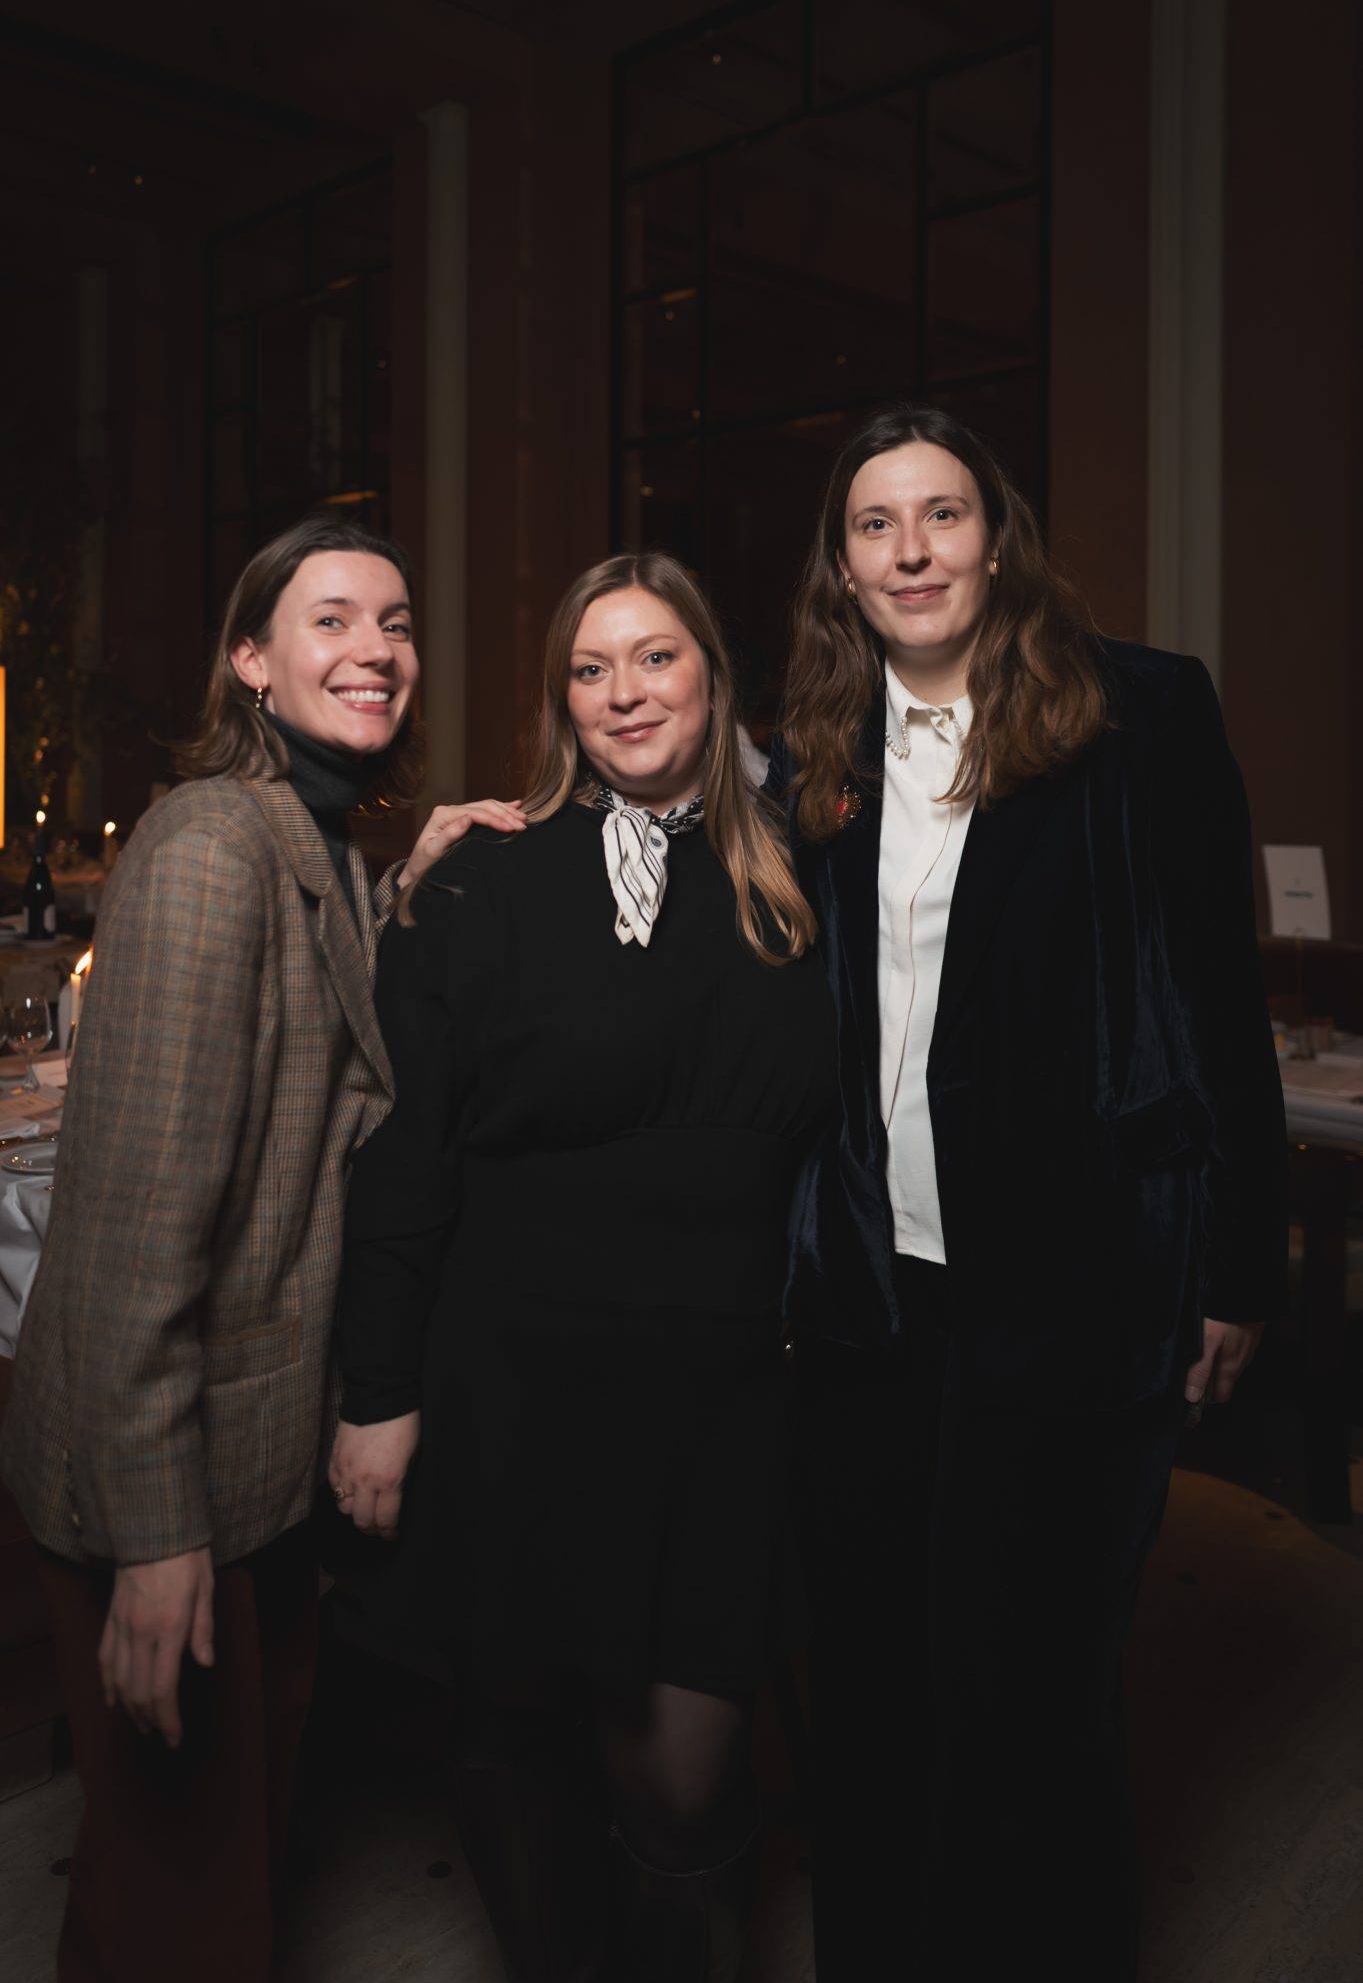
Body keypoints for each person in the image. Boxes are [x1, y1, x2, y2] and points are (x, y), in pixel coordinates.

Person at [768, 404, 1287, 1982]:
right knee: (869, 1689)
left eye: (942, 514)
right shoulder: (815, 756)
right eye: (876, 525)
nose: (912, 550)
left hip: (1074, 1288)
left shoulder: (1139, 712)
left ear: (997, 538)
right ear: (843, 567)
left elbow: (1221, 997)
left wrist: (1237, 1267)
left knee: (1037, 1702)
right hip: (872, 1302)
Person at [0, 515, 522, 1983]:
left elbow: (324, 1031)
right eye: (332, 620)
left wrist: (409, 876)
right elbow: (133, 1234)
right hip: (164, 1479)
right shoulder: (205, 851)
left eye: (396, 623)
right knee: (190, 1906)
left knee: (181, 1879)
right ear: (248, 659)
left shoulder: (310, 837)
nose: (377, 650)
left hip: (251, 1459)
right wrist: (157, 1540)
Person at [330, 551, 836, 1983]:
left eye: (656, 657)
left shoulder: (805, 873)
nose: (626, 693)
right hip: (517, 1380)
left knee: (682, 1778)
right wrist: (378, 1391)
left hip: (722, 1395)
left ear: (714, 676)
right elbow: (407, 1152)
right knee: (518, 1736)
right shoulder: (482, 875)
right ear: (561, 700)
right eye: (591, 669)